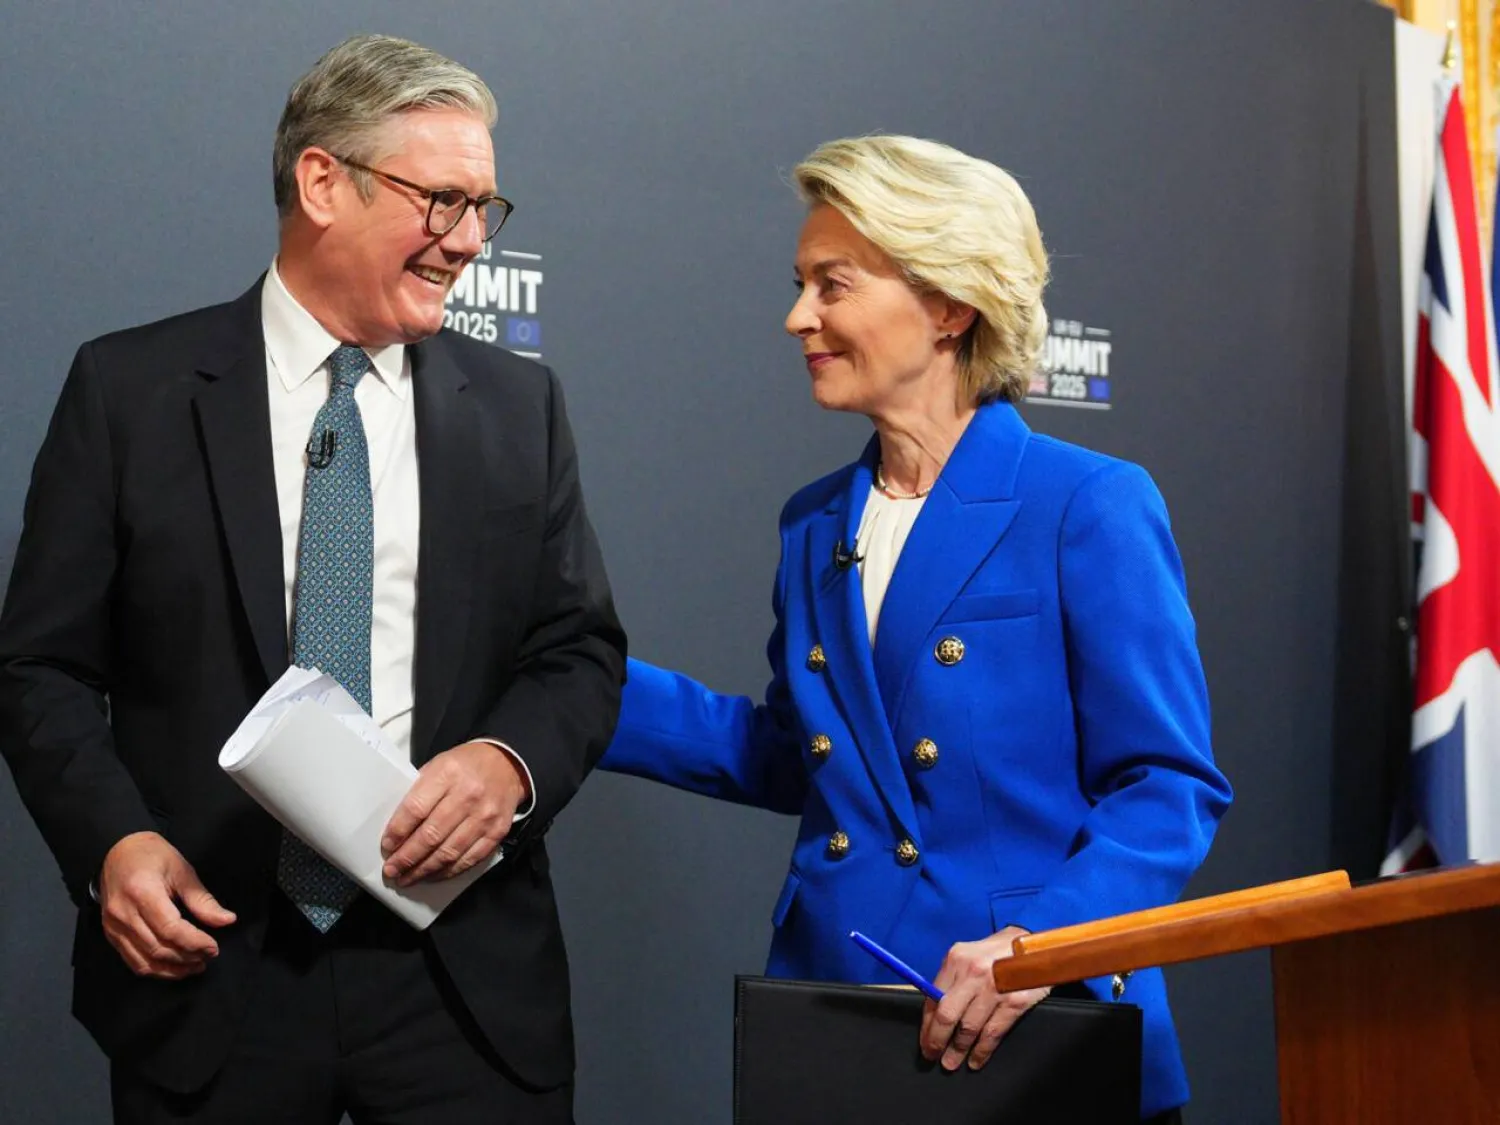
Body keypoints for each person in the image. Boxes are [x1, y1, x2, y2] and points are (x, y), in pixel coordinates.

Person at [0, 34, 624, 1125]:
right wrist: (112, 843)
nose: (468, 240)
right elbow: (40, 667)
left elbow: (578, 651)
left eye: (484, 208)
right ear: (324, 182)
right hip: (210, 968)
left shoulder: (519, 408)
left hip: (462, 984)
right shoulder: (129, 391)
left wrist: (507, 764)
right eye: (442, 201)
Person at [600, 134, 1231, 1123]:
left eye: (833, 284)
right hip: (838, 1019)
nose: (798, 317)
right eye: (801, 286)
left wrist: (1038, 947)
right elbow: (801, 755)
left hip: (1033, 1030)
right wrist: (579, 682)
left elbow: (1167, 786)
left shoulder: (1086, 503)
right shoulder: (815, 523)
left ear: (947, 304)